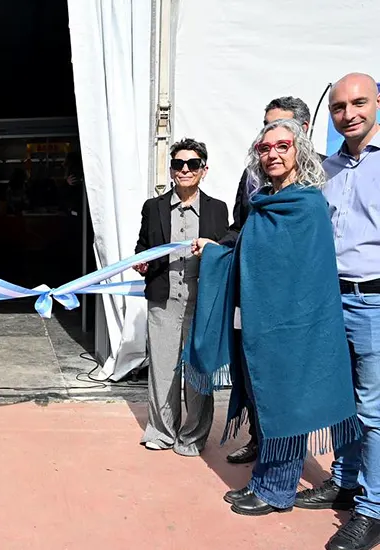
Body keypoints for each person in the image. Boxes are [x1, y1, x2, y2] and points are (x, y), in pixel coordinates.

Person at [189, 119, 361, 516]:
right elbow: (252, 255)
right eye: (265, 148)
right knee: (266, 403)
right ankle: (264, 481)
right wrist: (217, 252)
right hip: (260, 325)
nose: (273, 154)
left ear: (298, 149)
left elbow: (303, 272)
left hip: (294, 327)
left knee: (286, 406)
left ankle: (277, 491)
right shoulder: (264, 200)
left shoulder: (306, 203)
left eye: (282, 146)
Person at [296, 72, 380, 550]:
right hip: (332, 300)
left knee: (373, 411)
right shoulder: (326, 170)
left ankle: (372, 509)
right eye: (340, 107)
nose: (349, 114)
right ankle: (346, 480)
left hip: (373, 300)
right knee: (339, 402)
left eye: (359, 103)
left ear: (377, 103)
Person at [220, 96, 323, 465]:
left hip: (292, 312)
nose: (271, 147)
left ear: (302, 135)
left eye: (282, 138)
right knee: (255, 382)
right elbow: (241, 229)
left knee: (286, 393)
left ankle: (280, 476)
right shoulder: (257, 186)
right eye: (265, 139)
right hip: (254, 305)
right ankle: (261, 447)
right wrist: (218, 250)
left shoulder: (314, 190)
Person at [133, 138, 228, 456]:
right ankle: (161, 431)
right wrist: (141, 260)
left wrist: (212, 247)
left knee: (199, 371)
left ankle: (193, 436)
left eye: (192, 164)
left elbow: (226, 248)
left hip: (203, 303)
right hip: (163, 300)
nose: (185, 169)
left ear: (204, 169)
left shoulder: (217, 209)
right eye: (178, 164)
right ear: (172, 170)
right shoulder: (154, 207)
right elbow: (142, 246)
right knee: (162, 369)